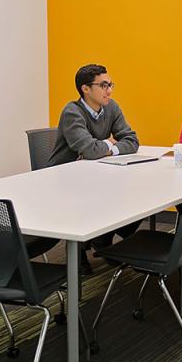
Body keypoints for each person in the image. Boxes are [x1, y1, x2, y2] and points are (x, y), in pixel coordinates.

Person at [47, 63, 142, 274]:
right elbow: (89, 149)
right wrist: (109, 145)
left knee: (138, 198)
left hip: (97, 172)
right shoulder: (72, 112)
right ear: (86, 88)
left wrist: (109, 148)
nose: (109, 90)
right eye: (104, 85)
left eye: (110, 85)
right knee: (98, 198)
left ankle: (103, 239)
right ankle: (80, 249)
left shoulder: (111, 107)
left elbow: (132, 141)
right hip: (65, 178)